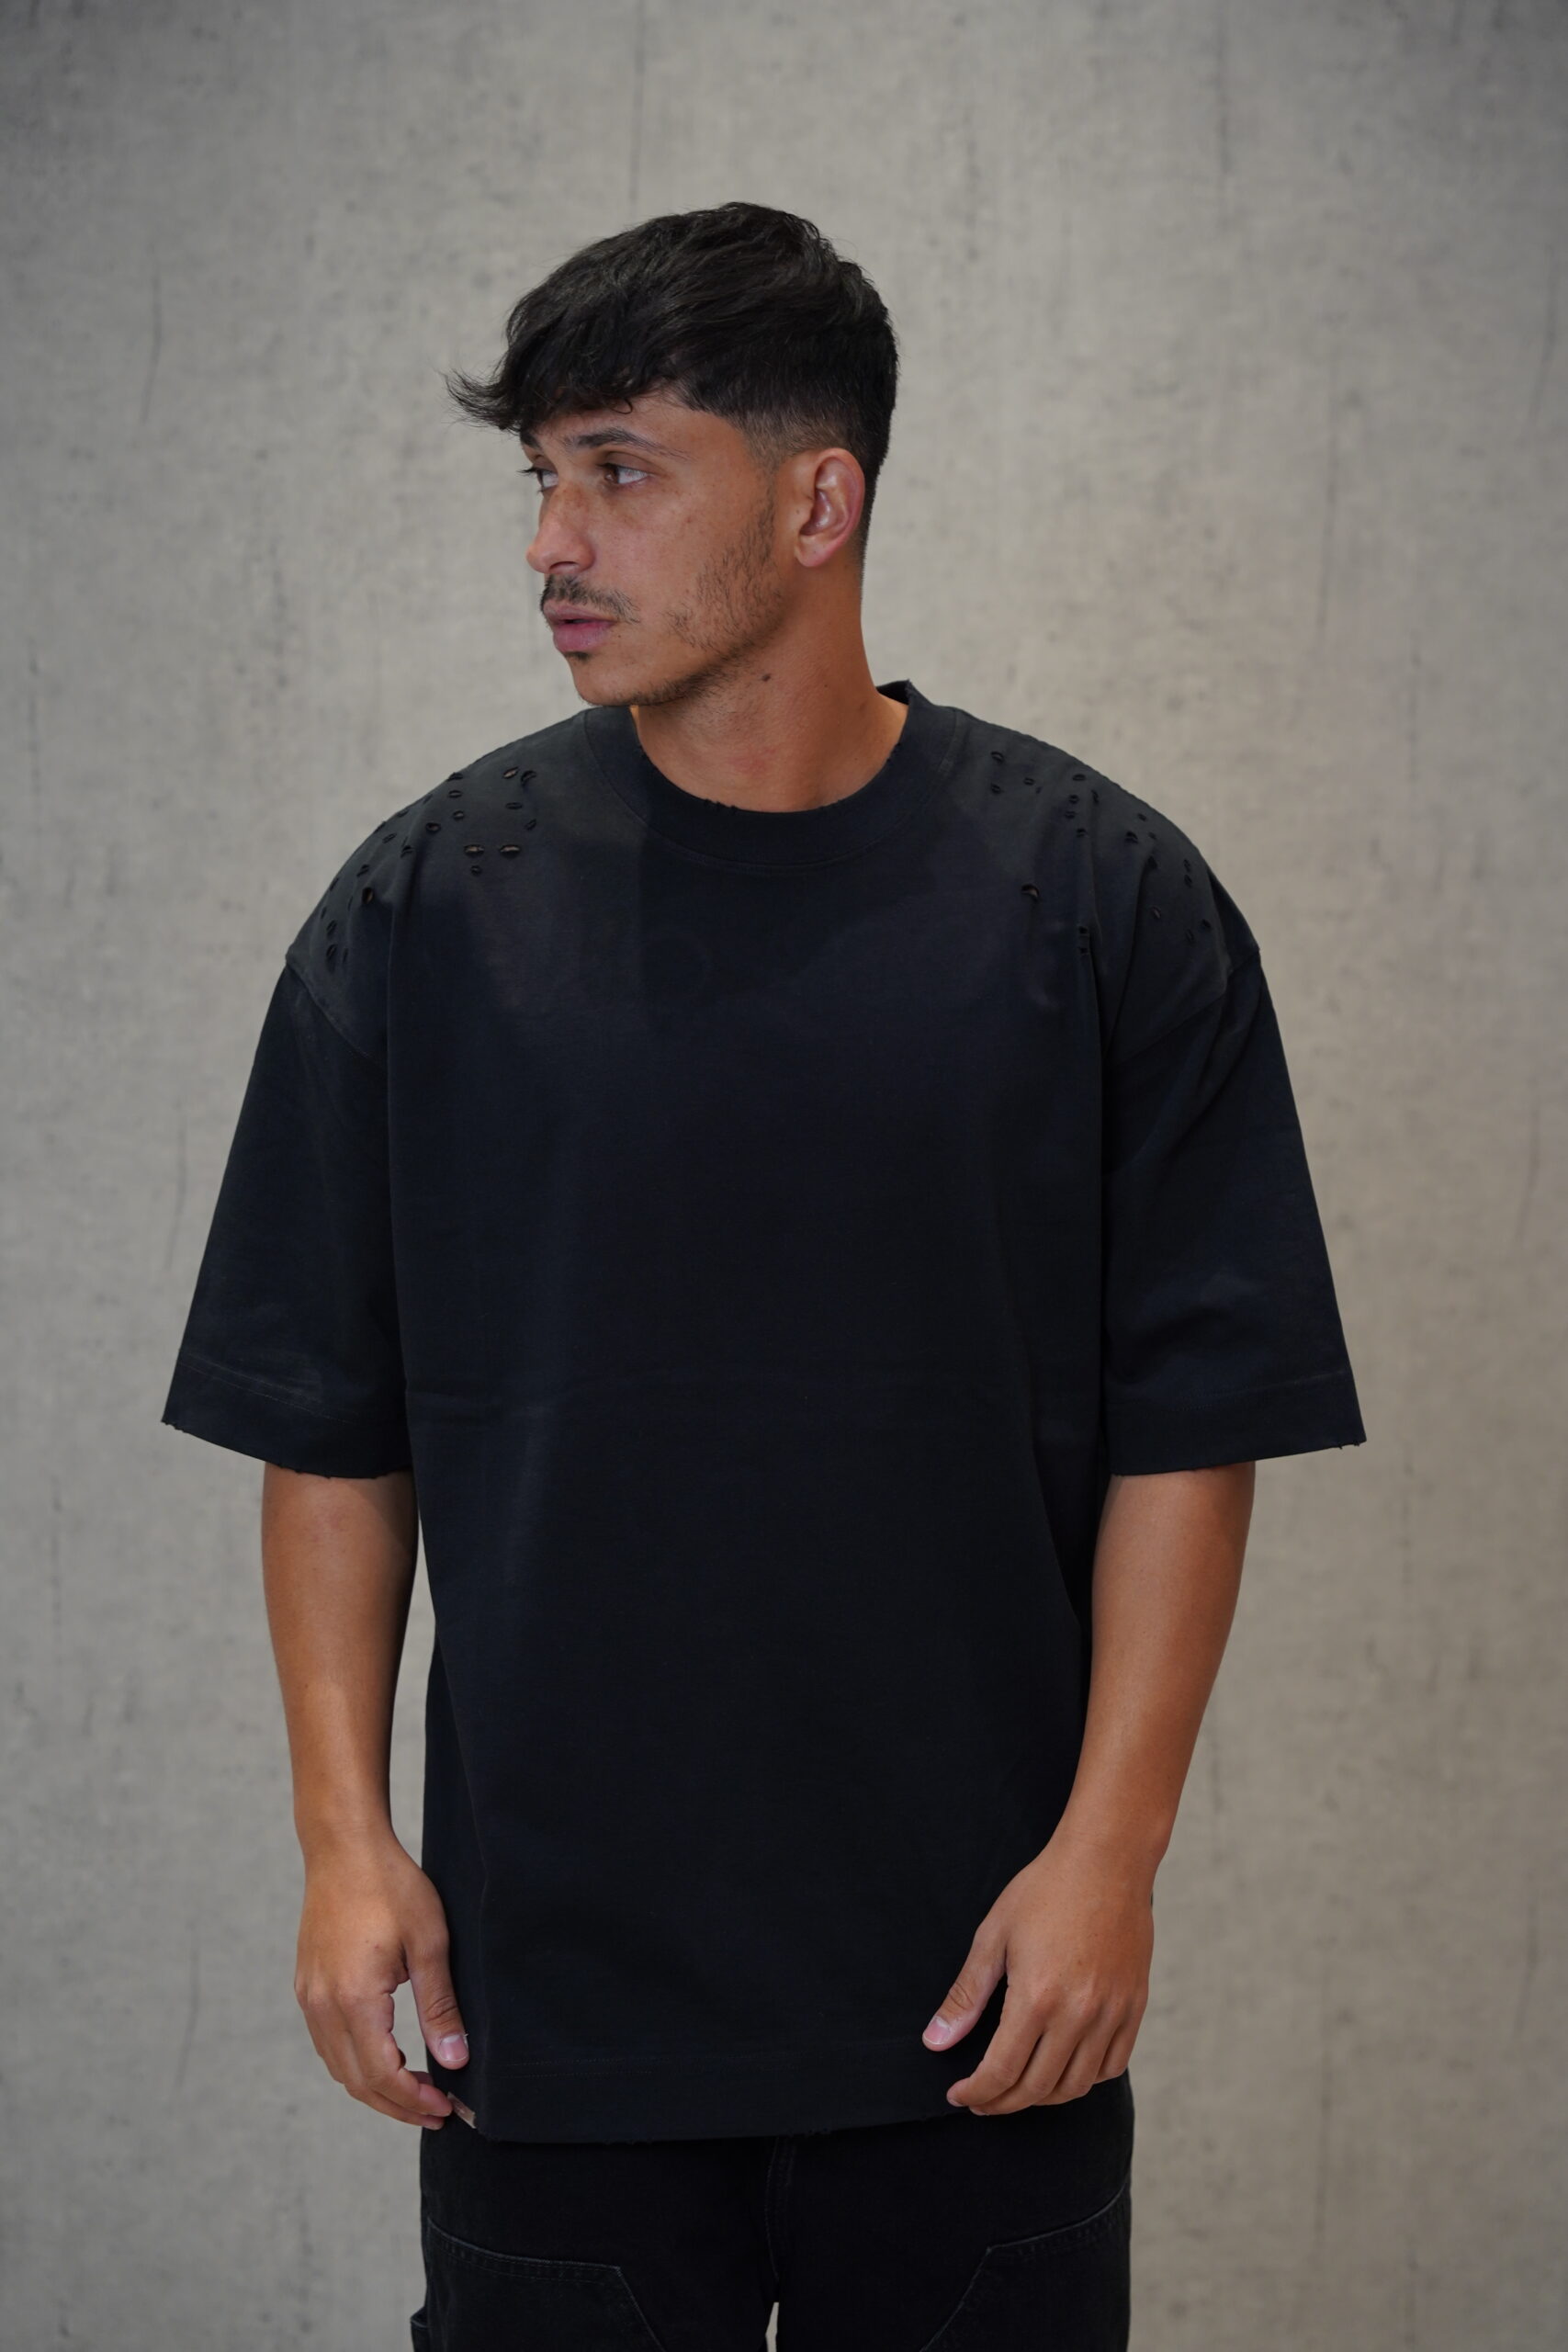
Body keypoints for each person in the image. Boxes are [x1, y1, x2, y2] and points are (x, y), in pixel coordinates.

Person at [160, 201, 1366, 2351]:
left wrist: (1109, 1856)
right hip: (552, 2011)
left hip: (981, 1998)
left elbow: (1192, 1424)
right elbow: (329, 1423)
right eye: (541, 476)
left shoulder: (1102, 907)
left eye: (620, 471)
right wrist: (346, 1845)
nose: (554, 541)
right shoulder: (427, 914)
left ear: (819, 502)